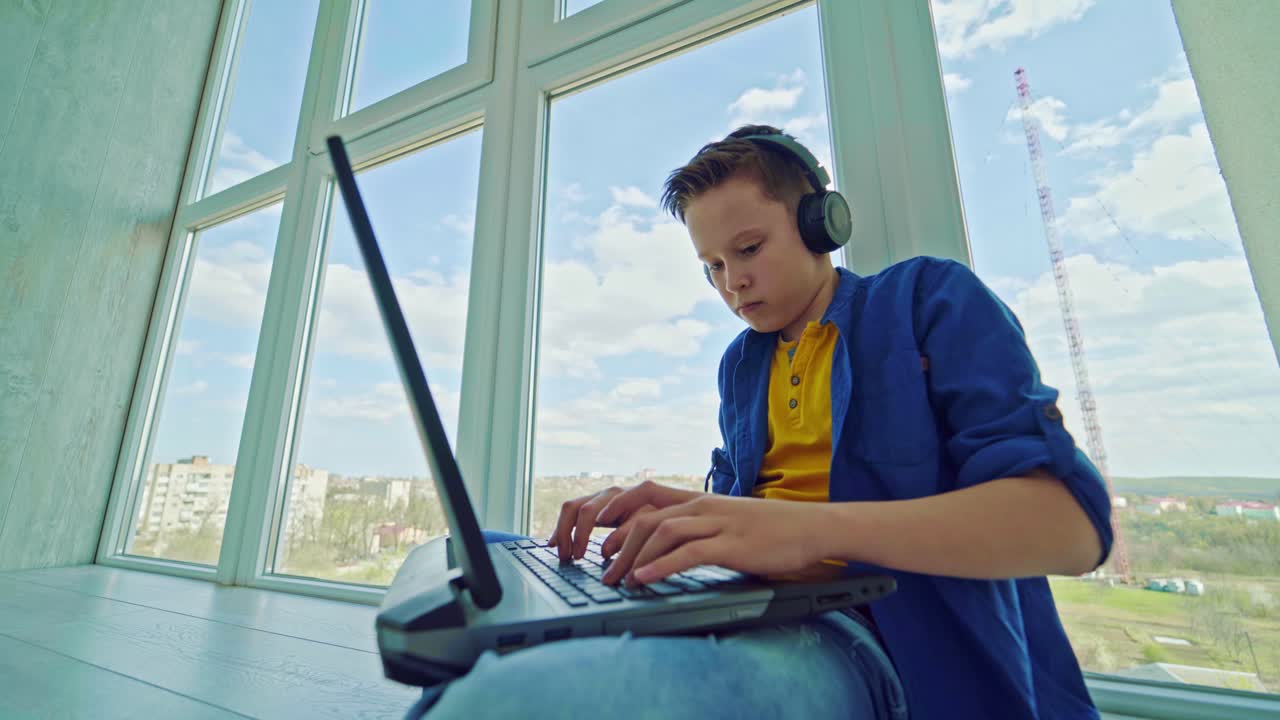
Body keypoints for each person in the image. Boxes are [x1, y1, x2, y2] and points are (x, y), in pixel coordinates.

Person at [417, 125, 1112, 720]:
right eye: (712, 266)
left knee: (508, 700)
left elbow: (1070, 529)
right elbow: (749, 520)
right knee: (469, 562)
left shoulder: (927, 299)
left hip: (882, 641)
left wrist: (804, 529)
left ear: (820, 224)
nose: (732, 283)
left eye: (748, 250)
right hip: (753, 607)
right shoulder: (741, 365)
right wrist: (676, 512)